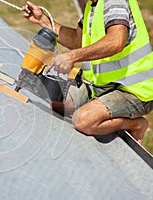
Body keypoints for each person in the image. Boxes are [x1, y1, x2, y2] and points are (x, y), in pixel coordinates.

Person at [22, 0, 153, 143]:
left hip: (135, 90)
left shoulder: (115, 2)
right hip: (105, 86)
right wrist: (43, 21)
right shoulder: (93, 5)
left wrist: (72, 57)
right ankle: (100, 106)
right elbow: (77, 40)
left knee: (82, 120)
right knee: (59, 104)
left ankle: (136, 124)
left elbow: (116, 41)